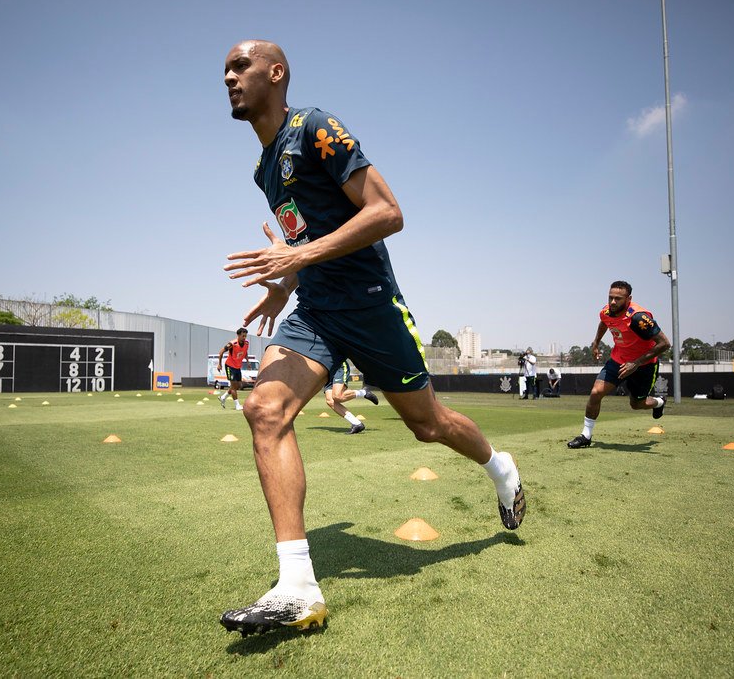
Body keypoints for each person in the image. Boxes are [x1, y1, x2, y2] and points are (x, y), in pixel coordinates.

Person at [218, 39, 525, 637]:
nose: (228, 78)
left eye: (240, 66)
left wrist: (299, 253)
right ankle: (298, 588)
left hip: (371, 307)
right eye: (224, 70)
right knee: (264, 408)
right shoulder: (263, 169)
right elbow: (302, 238)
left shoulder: (316, 127)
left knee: (428, 424)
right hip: (317, 309)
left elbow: (387, 212)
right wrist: (285, 287)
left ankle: (502, 468)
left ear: (276, 73)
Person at [566, 280, 670, 449]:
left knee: (636, 405)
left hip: (644, 365)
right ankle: (586, 435)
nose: (613, 302)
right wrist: (596, 343)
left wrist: (635, 364)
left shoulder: (639, 318)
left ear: (629, 299)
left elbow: (665, 344)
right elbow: (604, 322)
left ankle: (659, 402)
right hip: (618, 360)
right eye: (610, 297)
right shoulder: (606, 312)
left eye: (618, 299)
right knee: (595, 392)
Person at [323, 360, 379, 434]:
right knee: (330, 401)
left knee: (337, 396)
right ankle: (357, 424)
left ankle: (363, 393)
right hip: (327, 370)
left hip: (338, 365)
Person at [217, 327, 250, 411]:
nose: (244, 337)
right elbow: (221, 352)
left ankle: (223, 397)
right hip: (230, 366)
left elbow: (245, 352)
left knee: (238, 385)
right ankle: (237, 405)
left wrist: (248, 361)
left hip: (237, 367)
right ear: (238, 335)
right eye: (243, 336)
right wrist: (219, 364)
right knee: (234, 386)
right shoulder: (232, 344)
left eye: (245, 336)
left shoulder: (246, 343)